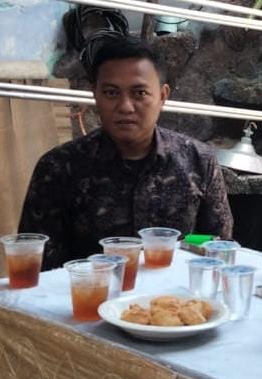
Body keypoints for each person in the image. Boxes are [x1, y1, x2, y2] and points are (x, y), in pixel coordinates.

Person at [18, 35, 233, 270]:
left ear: (163, 96)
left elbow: (219, 249)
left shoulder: (198, 161)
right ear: (95, 94)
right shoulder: (60, 168)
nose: (125, 106)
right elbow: (38, 268)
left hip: (175, 292)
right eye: (111, 93)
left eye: (139, 93)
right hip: (88, 291)